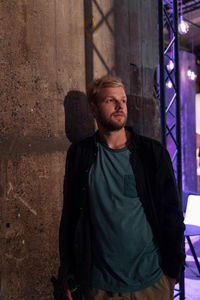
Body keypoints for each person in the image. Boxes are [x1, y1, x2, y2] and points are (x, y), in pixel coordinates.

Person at [59, 76, 185, 300]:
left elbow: (172, 216)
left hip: (151, 282)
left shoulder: (151, 153)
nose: (120, 106)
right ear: (93, 109)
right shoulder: (80, 154)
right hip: (99, 286)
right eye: (110, 100)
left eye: (123, 100)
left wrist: (172, 273)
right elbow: (70, 216)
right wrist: (68, 270)